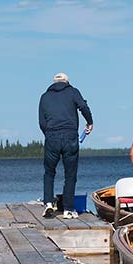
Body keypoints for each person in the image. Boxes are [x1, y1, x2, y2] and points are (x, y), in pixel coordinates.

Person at [38, 73, 92, 219]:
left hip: (51, 136)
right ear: (67, 82)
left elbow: (42, 122)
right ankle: (68, 208)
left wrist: (49, 133)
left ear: (54, 83)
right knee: (70, 174)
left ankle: (48, 202)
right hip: (70, 136)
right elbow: (83, 106)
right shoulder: (73, 92)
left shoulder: (45, 96)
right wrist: (90, 122)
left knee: (49, 172)